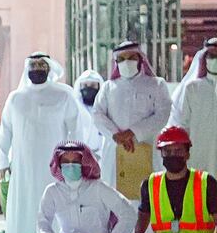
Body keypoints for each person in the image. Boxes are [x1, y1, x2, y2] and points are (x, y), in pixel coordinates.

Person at [0, 52, 80, 233]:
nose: (37, 68)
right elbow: (6, 131)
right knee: (25, 207)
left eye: (42, 64)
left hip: (56, 165)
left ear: (49, 67)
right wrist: (2, 160)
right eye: (33, 65)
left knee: (55, 207)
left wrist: (75, 158)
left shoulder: (64, 95)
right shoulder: (16, 98)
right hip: (23, 167)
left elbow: (75, 127)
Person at [92, 41, 172, 189]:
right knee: (115, 195)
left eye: (131, 57)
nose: (126, 62)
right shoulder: (108, 88)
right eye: (121, 59)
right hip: (115, 150)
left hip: (146, 148)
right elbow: (97, 114)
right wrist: (115, 135)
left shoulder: (156, 84)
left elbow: (163, 114)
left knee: (147, 194)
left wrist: (133, 132)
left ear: (140, 59)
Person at [170, 38, 217, 176]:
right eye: (211, 56)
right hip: (198, 154)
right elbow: (182, 124)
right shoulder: (192, 88)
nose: (214, 60)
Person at [73, 70, 106, 162]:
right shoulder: (75, 108)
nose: (89, 88)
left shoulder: (104, 108)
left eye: (93, 85)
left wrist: (99, 154)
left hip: (101, 157)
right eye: (85, 85)